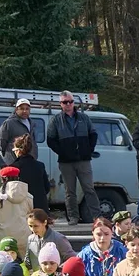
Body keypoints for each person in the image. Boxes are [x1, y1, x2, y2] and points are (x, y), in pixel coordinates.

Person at [47, 90, 100, 223]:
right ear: (61, 104)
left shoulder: (84, 118)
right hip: (66, 162)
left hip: (84, 160)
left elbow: (93, 134)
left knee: (89, 188)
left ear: (73, 102)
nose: (68, 104)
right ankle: (73, 217)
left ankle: (97, 216)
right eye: (65, 102)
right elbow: (50, 140)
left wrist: (89, 150)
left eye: (70, 101)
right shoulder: (55, 120)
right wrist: (62, 152)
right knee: (69, 191)